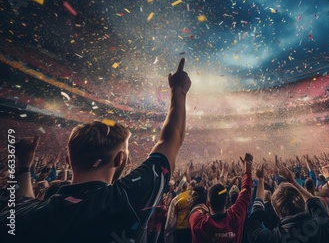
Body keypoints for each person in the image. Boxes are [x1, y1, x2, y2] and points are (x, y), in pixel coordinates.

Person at [0, 58, 191, 243]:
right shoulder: (127, 199)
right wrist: (178, 91)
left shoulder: (24, 218)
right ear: (120, 159)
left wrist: (24, 166)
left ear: (68, 159)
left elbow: (21, 203)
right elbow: (171, 139)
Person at [245, 162, 329, 243]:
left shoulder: (273, 239)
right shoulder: (322, 224)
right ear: (302, 203)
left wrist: (260, 180)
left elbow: (254, 219)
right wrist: (293, 181)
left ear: (276, 210)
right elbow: (314, 202)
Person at [189, 153, 253, 243]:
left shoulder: (198, 223)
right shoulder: (236, 216)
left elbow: (195, 209)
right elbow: (246, 191)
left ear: (208, 203)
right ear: (226, 200)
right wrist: (248, 167)